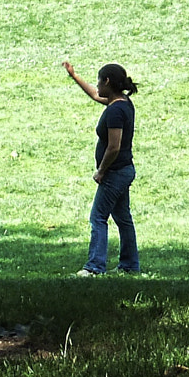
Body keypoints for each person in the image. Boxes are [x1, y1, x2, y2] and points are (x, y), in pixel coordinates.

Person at [63, 61, 139, 276]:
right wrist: (74, 76)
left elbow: (114, 147)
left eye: (99, 80)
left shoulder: (115, 112)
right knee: (123, 219)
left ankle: (95, 267)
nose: (97, 85)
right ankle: (130, 265)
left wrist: (101, 171)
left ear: (107, 81)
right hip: (125, 170)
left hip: (115, 173)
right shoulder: (123, 103)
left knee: (98, 217)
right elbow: (96, 96)